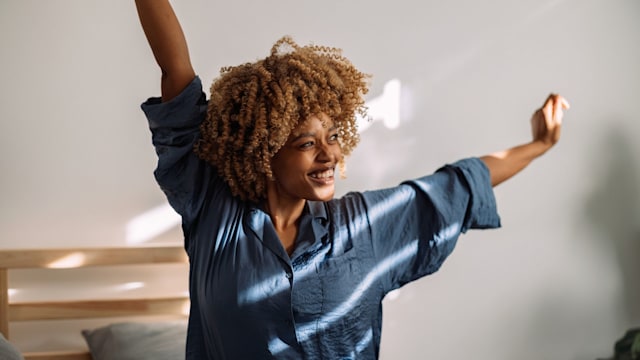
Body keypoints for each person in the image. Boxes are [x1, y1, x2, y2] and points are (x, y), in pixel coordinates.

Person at [135, 1, 570, 359]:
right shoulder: (214, 211)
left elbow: (459, 182)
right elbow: (177, 73)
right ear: (264, 153)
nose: (329, 154)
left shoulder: (364, 226)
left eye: (334, 136)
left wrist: (538, 145)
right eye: (307, 142)